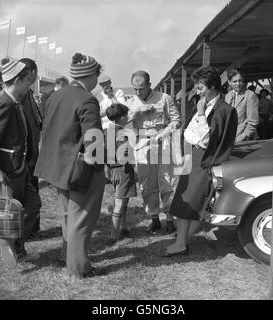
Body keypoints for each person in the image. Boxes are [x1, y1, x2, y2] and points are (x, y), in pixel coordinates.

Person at [35, 52, 106, 278]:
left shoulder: (54, 96)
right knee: (81, 218)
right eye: (98, 74)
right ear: (91, 75)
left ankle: (66, 255)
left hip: (56, 166)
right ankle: (78, 267)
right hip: (79, 169)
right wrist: (97, 166)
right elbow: (93, 138)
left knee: (67, 215)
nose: (98, 80)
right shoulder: (87, 99)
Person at [162, 66, 238, 257]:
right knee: (184, 200)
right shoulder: (204, 103)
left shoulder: (223, 109)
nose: (197, 91)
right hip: (193, 156)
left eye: (200, 87)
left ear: (212, 87)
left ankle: (181, 243)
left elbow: (207, 140)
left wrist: (202, 113)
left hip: (204, 159)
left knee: (189, 200)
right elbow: (191, 132)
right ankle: (181, 240)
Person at [0, 57, 42, 268]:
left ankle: (13, 243)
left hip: (21, 165)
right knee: (11, 210)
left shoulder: (14, 100)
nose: (30, 84)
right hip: (9, 169)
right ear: (18, 80)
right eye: (28, 81)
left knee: (33, 205)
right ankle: (9, 243)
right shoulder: (6, 103)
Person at [126, 71, 180, 234]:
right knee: (147, 183)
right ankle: (154, 218)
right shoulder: (130, 102)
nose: (138, 92)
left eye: (141, 89)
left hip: (162, 140)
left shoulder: (164, 98)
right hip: (142, 142)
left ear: (149, 85)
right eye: (135, 89)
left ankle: (170, 219)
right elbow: (124, 125)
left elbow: (176, 120)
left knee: (167, 181)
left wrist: (164, 133)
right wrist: (137, 112)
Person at [104, 103, 137, 245]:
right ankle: (113, 237)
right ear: (123, 117)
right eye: (127, 115)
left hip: (113, 170)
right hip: (123, 170)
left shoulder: (107, 131)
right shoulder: (122, 133)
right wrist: (130, 167)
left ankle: (123, 227)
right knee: (119, 202)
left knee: (124, 199)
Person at [20, 58, 43, 236]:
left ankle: (33, 229)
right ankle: (24, 233)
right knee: (28, 198)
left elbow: (36, 120)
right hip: (24, 156)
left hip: (32, 153)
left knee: (33, 193)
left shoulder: (27, 93)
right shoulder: (19, 94)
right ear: (33, 72)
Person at [225, 68, 259, 142]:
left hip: (244, 139)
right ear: (229, 82)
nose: (238, 83)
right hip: (228, 138)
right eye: (234, 81)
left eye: (240, 80)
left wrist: (243, 136)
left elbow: (253, 120)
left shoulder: (250, 95)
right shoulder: (227, 96)